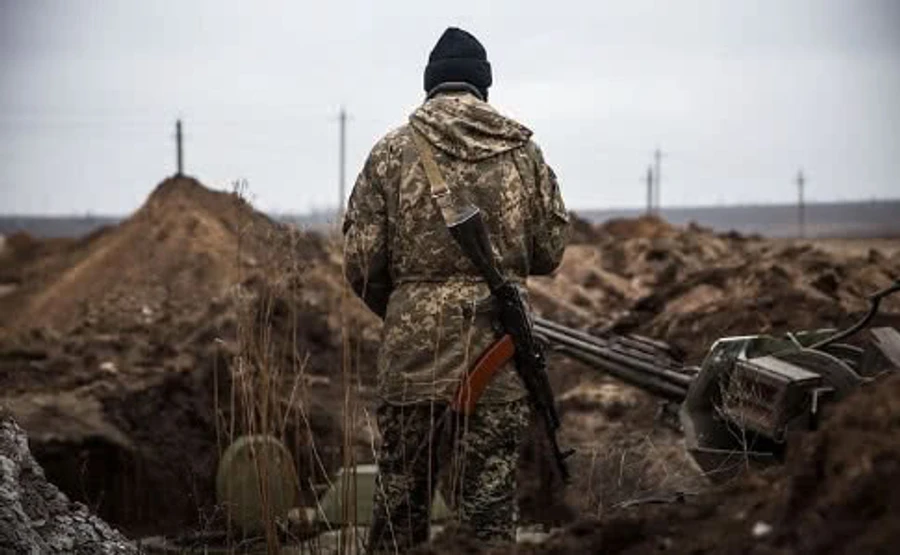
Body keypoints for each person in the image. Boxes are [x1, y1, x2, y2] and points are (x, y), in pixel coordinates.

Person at [343, 26, 569, 552]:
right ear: (483, 85)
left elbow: (360, 262)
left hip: (412, 359)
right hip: (498, 352)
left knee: (399, 513)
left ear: (431, 85)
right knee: (488, 519)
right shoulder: (523, 151)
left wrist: (409, 307)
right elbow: (550, 250)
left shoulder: (389, 152)